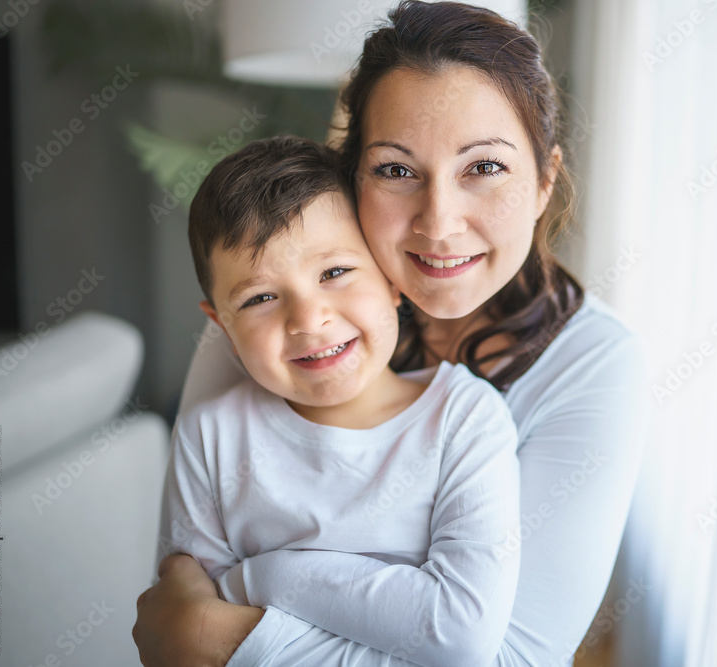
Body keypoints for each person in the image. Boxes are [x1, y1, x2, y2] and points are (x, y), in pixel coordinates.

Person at [133, 2, 649, 665]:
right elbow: (174, 600)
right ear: (355, 178)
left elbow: (507, 658)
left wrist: (236, 620)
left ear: (545, 180)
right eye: (397, 169)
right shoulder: (279, 313)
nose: (438, 221)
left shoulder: (592, 365)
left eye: (484, 167)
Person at [157, 134, 522, 667]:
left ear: (393, 280)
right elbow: (185, 633)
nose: (308, 319)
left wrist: (265, 575)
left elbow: (459, 636)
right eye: (260, 298)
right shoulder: (210, 434)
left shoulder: (466, 421)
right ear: (223, 326)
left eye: (334, 273)